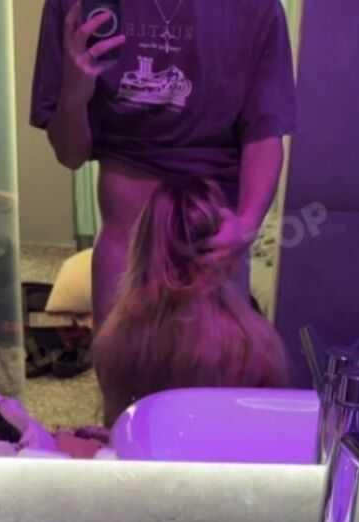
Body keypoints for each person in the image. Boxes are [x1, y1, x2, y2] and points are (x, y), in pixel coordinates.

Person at [31, 0, 296, 327]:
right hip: (125, 251)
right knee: (123, 362)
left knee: (215, 362)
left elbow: (264, 133)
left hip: (212, 250)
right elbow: (70, 155)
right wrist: (74, 94)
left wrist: (247, 225)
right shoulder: (73, 6)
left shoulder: (257, 8)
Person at [93, 175, 291, 426]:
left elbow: (118, 430)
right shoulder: (256, 348)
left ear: (144, 248)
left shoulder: (115, 343)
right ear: (223, 249)